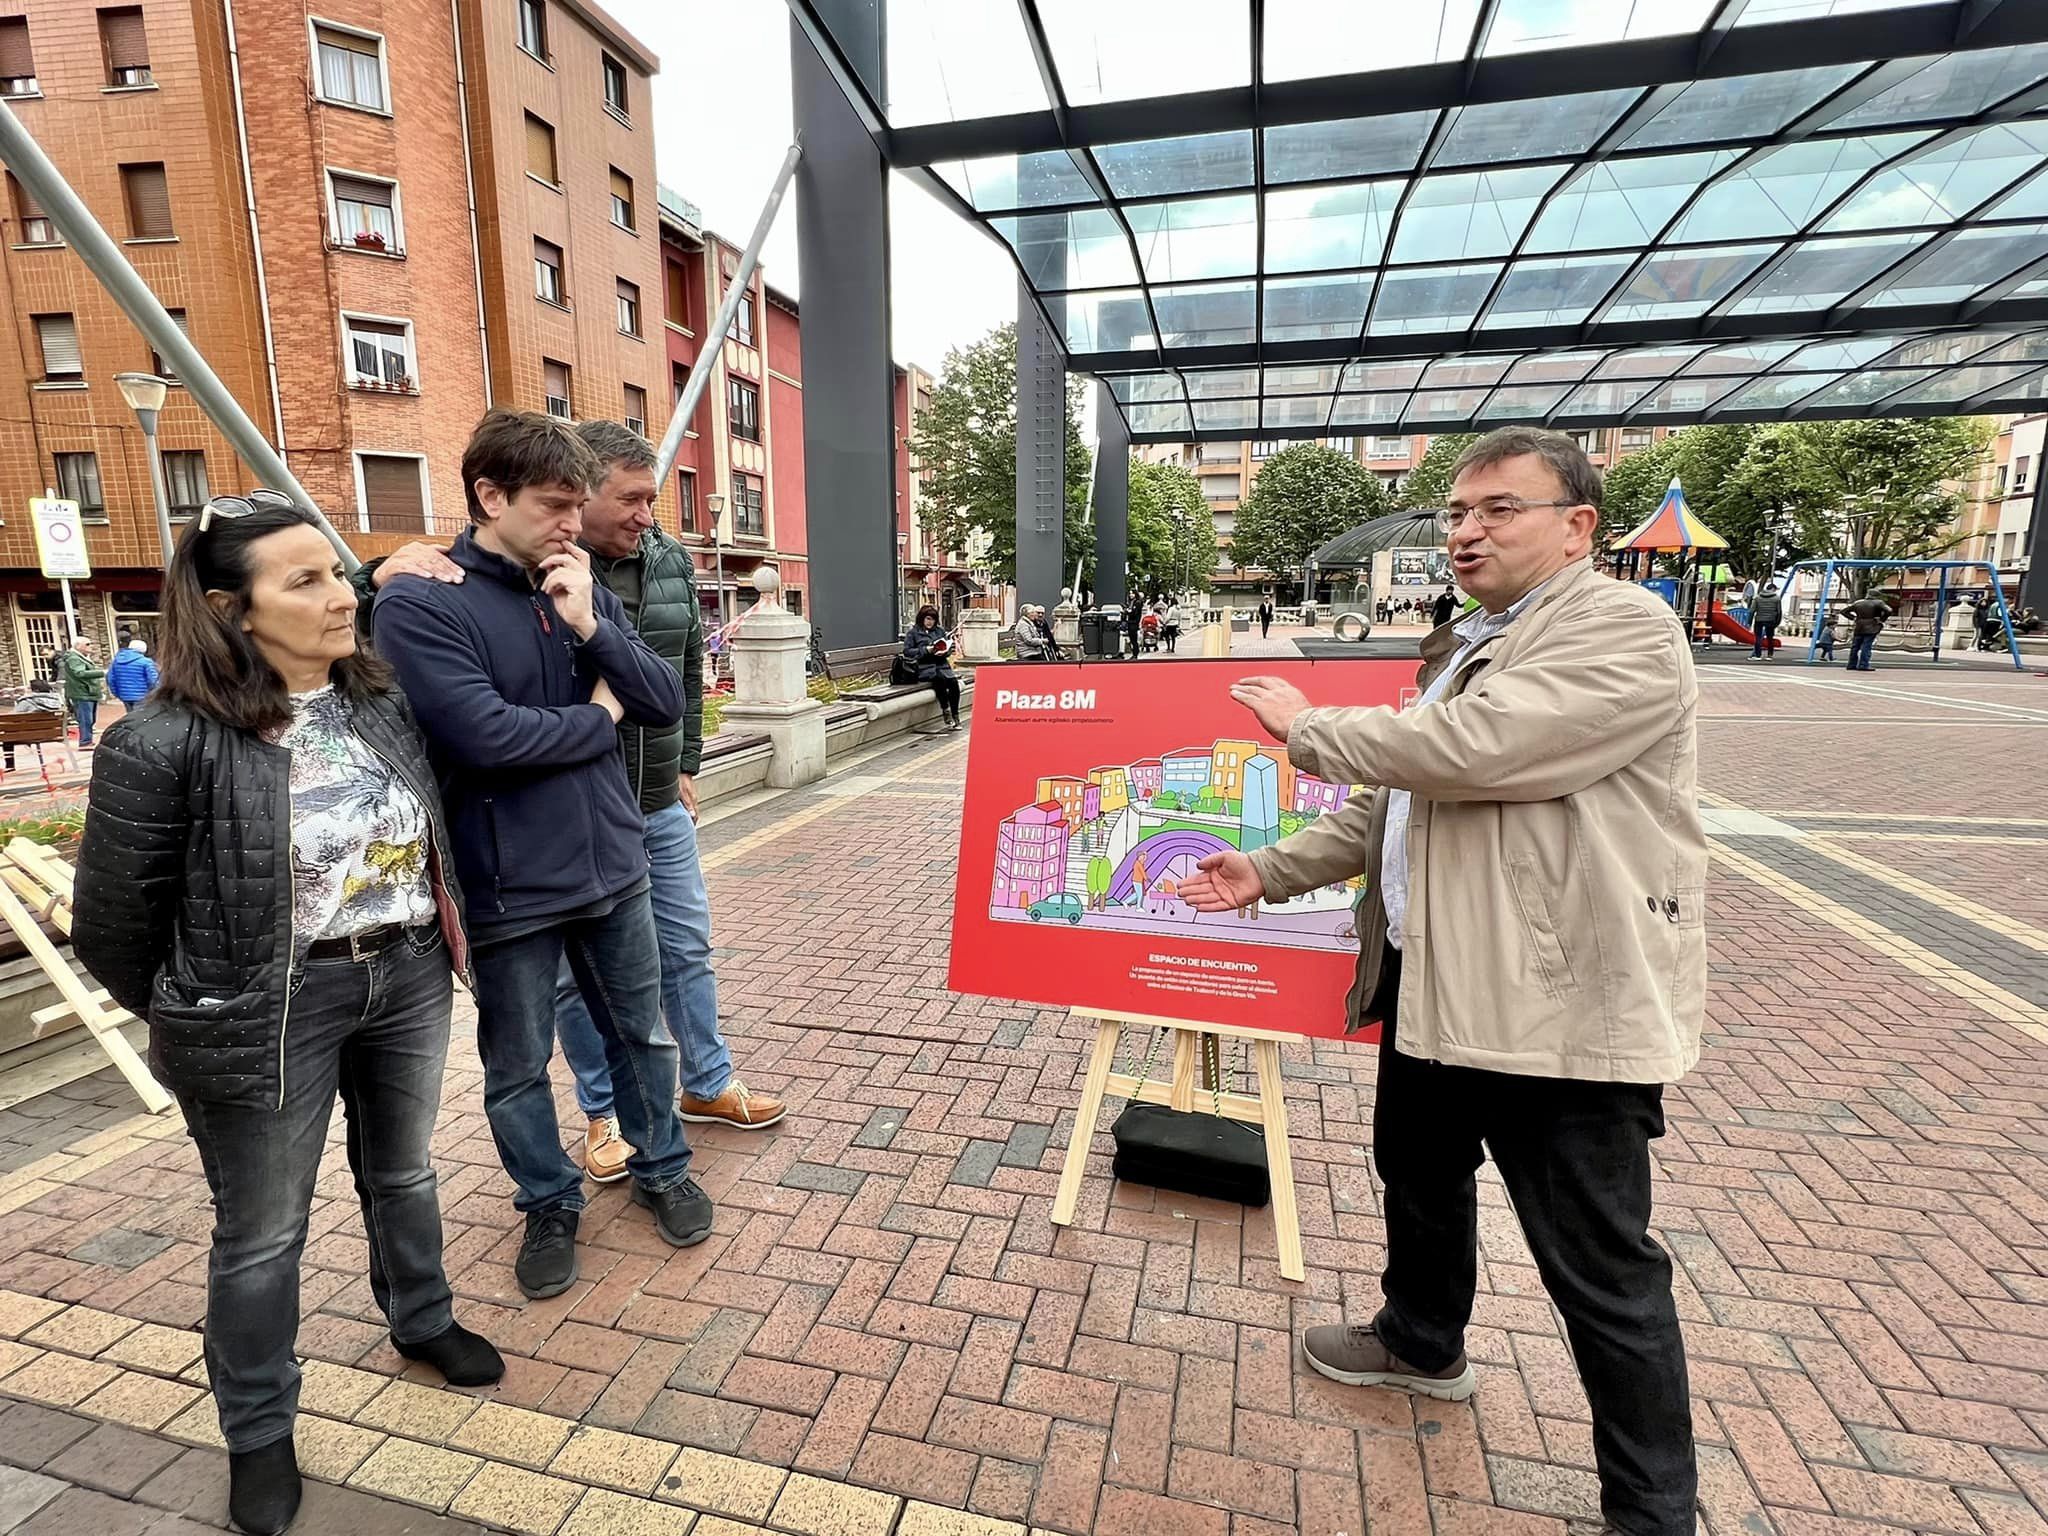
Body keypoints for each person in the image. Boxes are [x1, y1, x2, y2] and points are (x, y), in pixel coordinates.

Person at [1179, 425, 1702, 1536]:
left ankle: (1653, 1514)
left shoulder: (1621, 627)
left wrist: (1308, 726)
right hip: (1433, 977)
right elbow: (1397, 805)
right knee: (1416, 1174)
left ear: (1576, 525)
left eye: (1496, 509)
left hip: (1553, 996)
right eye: (1457, 512)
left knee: (1599, 1268)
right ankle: (1420, 1341)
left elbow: (1484, 751)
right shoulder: (1472, 642)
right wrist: (1265, 870)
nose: (1464, 531)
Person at [73, 493, 502, 1536]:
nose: (339, 593)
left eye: (338, 571)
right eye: (302, 580)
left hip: (399, 974)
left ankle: (421, 1318)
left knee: (403, 1170)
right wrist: (198, 1005)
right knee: (262, 1234)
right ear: (232, 608)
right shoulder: (165, 742)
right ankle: (259, 1433)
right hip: (266, 1003)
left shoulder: (375, 699)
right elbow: (111, 927)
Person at [362, 424, 786, 1186]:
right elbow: (487, 737)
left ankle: (666, 1168)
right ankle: (552, 1199)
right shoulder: (423, 600)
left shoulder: (581, 582)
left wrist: (590, 625)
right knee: (520, 1062)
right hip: (510, 878)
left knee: (647, 1029)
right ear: (490, 497)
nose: (572, 523)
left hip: (616, 850)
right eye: (558, 506)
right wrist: (597, 719)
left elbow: (663, 695)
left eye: (578, 505)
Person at [902, 604, 961, 729]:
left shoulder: (939, 631)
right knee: (939, 680)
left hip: (941, 665)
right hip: (925, 667)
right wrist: (926, 650)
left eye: (933, 619)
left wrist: (945, 652)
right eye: (928, 619)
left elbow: (948, 647)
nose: (930, 622)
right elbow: (907, 651)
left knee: (953, 683)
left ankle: (955, 715)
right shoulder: (913, 633)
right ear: (922, 618)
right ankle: (946, 710)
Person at [57, 634, 105, 748]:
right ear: (78, 646)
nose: (90, 646)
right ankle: (85, 741)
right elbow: (79, 673)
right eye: (87, 644)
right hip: (82, 693)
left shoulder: (81, 657)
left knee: (90, 719)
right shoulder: (74, 658)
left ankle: (87, 740)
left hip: (88, 692)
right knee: (85, 719)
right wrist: (102, 672)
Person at [1838, 593, 1892, 672]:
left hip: (1859, 626)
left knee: (1855, 647)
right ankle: (1863, 664)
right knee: (1866, 646)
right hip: (1872, 626)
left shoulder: (1858, 603)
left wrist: (1854, 618)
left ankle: (1851, 664)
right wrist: (1882, 619)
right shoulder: (1879, 602)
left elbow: (1843, 611)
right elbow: (1889, 610)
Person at [105, 630, 161, 704]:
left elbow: (110, 679)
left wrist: (117, 693)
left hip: (125, 696)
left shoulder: (116, 661)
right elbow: (153, 680)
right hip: (143, 696)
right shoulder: (146, 662)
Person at [1748, 582, 1783, 660]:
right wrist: (1777, 622)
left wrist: (1749, 621)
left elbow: (1752, 610)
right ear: (1773, 589)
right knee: (1770, 638)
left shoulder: (1757, 598)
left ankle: (1757, 655)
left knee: (1758, 637)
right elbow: (1779, 611)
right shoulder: (1777, 598)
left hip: (1759, 619)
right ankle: (1769, 655)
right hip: (1771, 620)